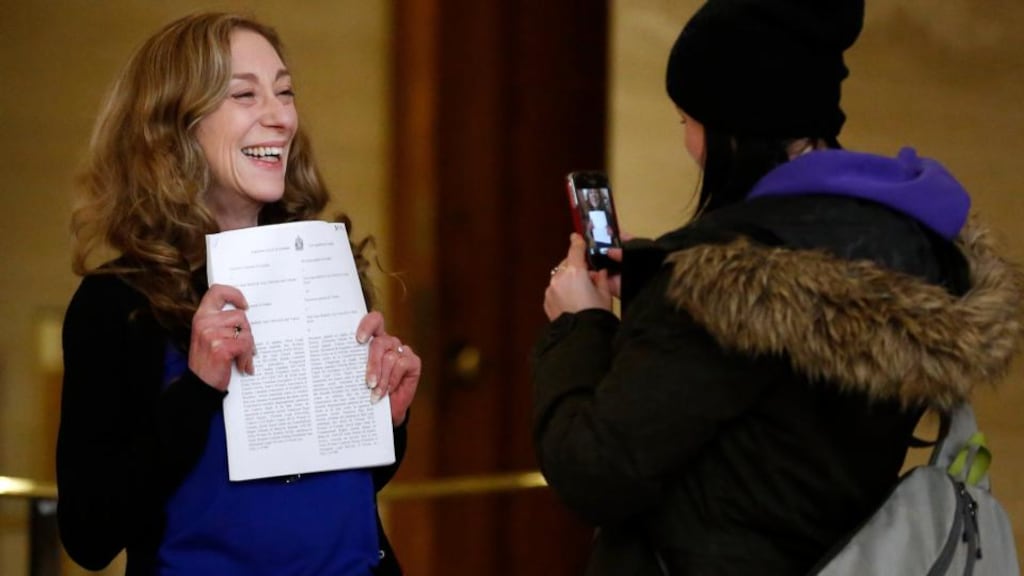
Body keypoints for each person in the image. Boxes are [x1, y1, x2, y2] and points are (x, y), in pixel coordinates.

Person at [532, 0, 1023, 574]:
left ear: (737, 129)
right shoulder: (909, 244)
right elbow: (774, 405)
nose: (689, 143)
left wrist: (578, 325)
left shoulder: (716, 292)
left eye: (688, 122)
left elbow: (595, 470)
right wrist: (655, 275)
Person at [57, 12, 420, 576]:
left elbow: (335, 492)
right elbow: (89, 534)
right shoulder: (117, 303)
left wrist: (386, 421)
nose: (280, 118)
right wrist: (196, 392)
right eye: (245, 96)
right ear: (175, 126)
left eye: (285, 92)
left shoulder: (324, 265)